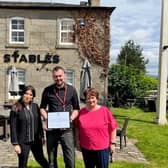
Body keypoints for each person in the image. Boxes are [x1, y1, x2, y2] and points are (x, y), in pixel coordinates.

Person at [40, 66, 80, 168]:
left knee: (70, 160)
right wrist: (47, 118)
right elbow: (42, 108)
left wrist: (70, 119)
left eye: (60, 76)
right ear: (53, 77)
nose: (58, 78)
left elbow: (76, 109)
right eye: (56, 76)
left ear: (64, 76)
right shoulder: (47, 90)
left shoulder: (71, 90)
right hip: (52, 130)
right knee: (52, 160)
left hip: (67, 130)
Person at [76, 88, 118, 168]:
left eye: (92, 97)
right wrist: (77, 141)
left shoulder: (105, 111)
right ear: (85, 99)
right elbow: (77, 127)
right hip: (86, 147)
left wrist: (113, 143)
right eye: (88, 98)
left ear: (96, 98)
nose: (90, 100)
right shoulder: (81, 112)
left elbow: (113, 127)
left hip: (102, 148)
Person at [10, 85, 49, 168]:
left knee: (41, 159)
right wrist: (15, 144)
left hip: (36, 140)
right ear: (23, 94)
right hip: (23, 142)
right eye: (26, 93)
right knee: (23, 163)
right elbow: (13, 127)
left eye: (31, 95)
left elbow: (39, 123)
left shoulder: (35, 106)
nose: (28, 96)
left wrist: (42, 136)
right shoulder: (15, 107)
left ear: (33, 96)